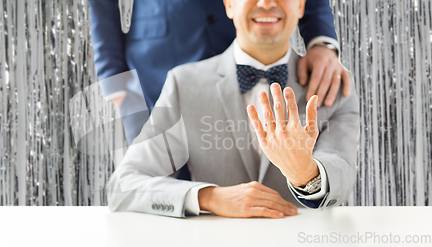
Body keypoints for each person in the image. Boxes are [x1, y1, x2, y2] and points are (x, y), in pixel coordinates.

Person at [106, 0, 359, 218]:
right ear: (228, 4)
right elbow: (123, 186)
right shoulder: (184, 84)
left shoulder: (332, 86)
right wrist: (209, 197)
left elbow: (342, 175)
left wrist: (305, 173)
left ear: (302, 4)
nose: (267, 3)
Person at [89, 0, 351, 144]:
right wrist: (114, 80)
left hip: (249, 57)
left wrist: (321, 42)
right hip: (153, 73)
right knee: (160, 192)